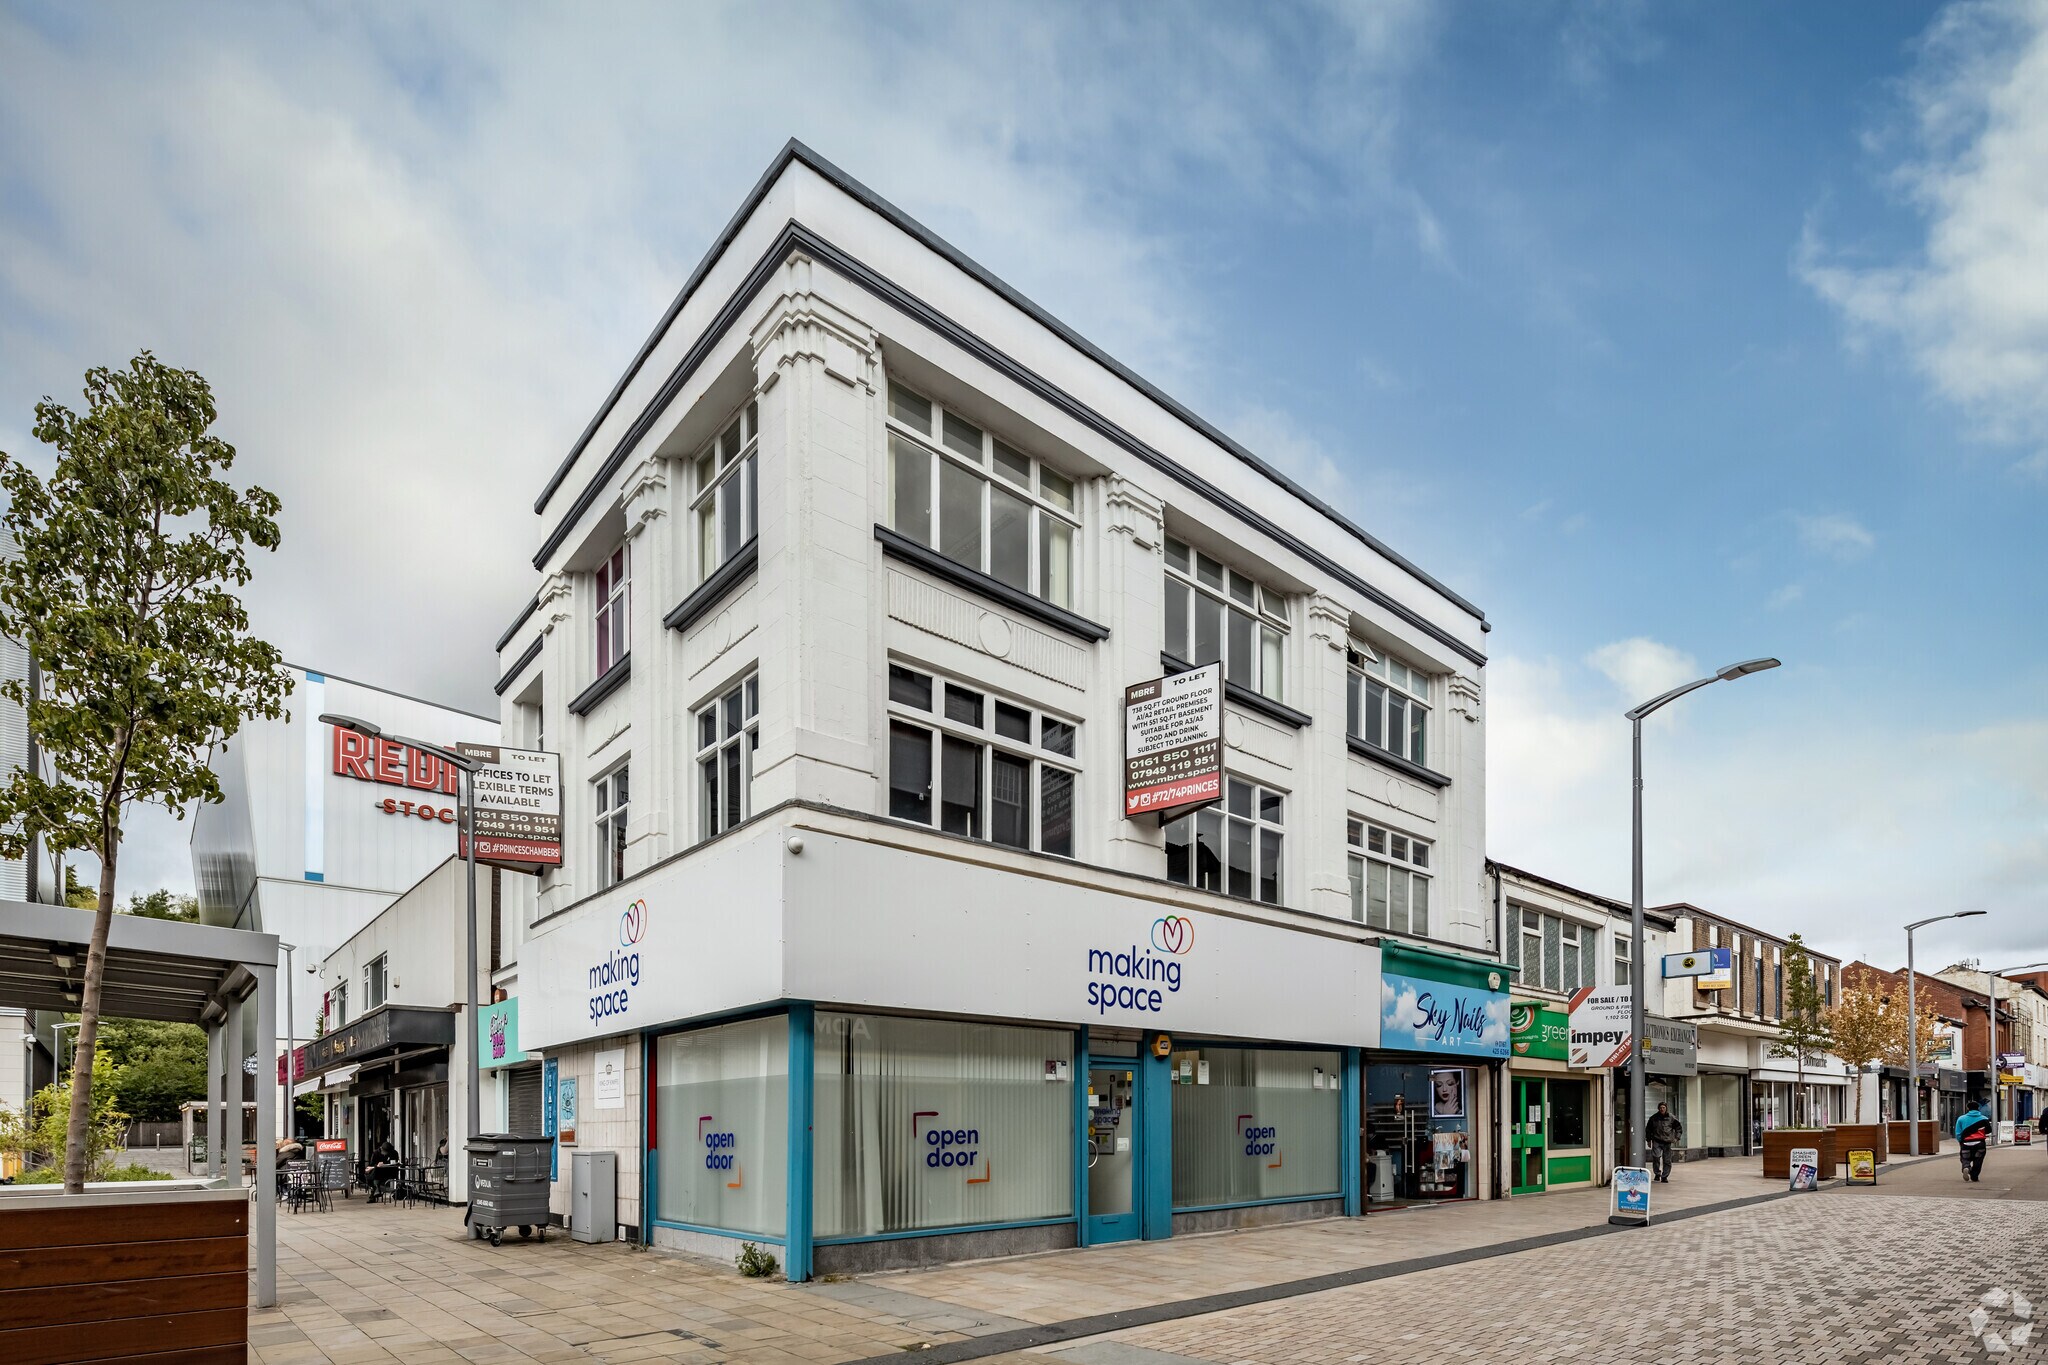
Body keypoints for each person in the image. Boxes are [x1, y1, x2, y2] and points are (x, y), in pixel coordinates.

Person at [1645, 1102, 1683, 1182]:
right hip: (1656, 1140)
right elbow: (1648, 1129)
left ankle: (1665, 1176)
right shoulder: (1654, 1118)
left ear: (1666, 1108)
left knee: (1667, 1160)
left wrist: (1677, 1138)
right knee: (1656, 1157)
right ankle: (1657, 1173)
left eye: (1663, 1107)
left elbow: (1678, 1128)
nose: (1662, 1109)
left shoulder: (1671, 1118)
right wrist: (1648, 1140)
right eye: (1661, 1107)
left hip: (1667, 1141)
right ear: (1658, 1108)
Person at [1956, 1103, 1992, 1182]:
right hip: (1980, 1143)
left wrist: (1960, 1141)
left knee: (1965, 1158)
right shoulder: (1984, 1119)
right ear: (1978, 1108)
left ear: (1967, 1108)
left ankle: (1966, 1167)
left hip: (1966, 1142)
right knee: (1978, 1160)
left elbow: (1958, 1133)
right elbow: (1989, 1130)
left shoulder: (1961, 1119)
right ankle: (1974, 1176)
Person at [364, 1134, 401, 1203]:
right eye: (385, 1152)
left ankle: (376, 1191)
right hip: (379, 1172)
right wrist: (377, 1165)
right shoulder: (376, 1153)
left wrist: (394, 1163)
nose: (386, 1154)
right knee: (373, 1172)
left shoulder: (394, 1153)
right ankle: (376, 1189)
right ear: (381, 1149)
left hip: (390, 1171)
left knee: (372, 1174)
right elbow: (372, 1164)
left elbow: (396, 1162)